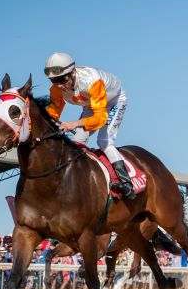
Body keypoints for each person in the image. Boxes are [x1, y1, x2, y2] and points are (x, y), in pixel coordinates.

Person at [43, 52, 136, 199]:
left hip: (113, 102)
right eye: (54, 80)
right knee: (77, 142)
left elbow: (100, 118)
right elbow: (53, 111)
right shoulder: (56, 89)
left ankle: (127, 183)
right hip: (91, 104)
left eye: (61, 79)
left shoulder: (91, 81)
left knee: (104, 141)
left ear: (72, 73)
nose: (59, 85)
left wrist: (75, 123)